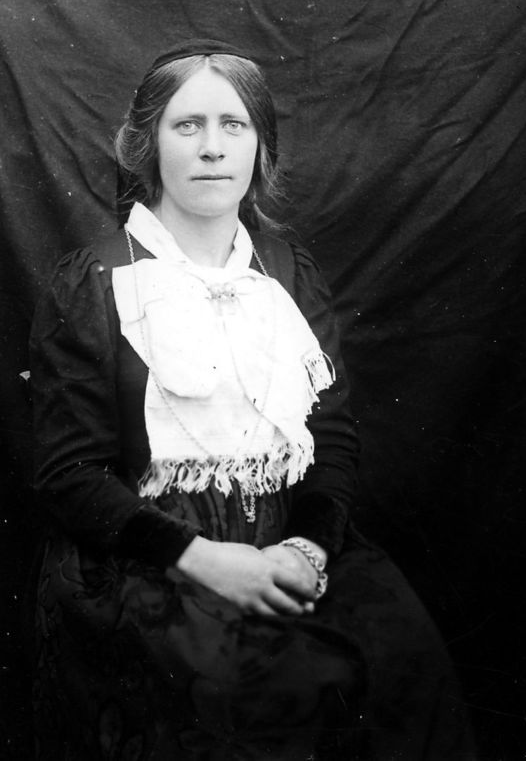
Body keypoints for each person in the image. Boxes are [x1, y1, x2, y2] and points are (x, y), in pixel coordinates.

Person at [29, 38, 473, 760]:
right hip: (148, 560)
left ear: (259, 148)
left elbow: (331, 436)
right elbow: (68, 475)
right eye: (187, 125)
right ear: (147, 146)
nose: (212, 147)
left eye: (232, 125)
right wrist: (205, 560)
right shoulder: (95, 282)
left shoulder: (287, 274)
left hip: (287, 542)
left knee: (397, 665)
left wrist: (308, 547)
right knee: (240, 702)